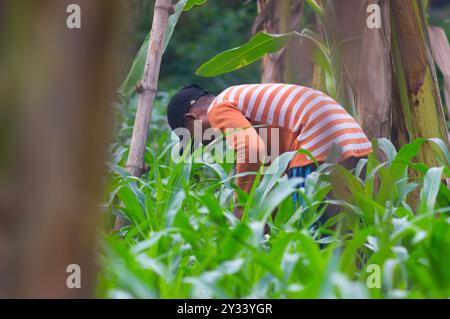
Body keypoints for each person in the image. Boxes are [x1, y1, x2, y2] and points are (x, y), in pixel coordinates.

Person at [167, 83, 372, 218]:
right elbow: (269, 184)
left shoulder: (218, 108)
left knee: (309, 239)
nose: (203, 143)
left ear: (192, 118)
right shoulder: (251, 110)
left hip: (317, 148)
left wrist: (242, 207)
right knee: (346, 236)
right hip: (354, 145)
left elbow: (250, 149)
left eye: (194, 137)